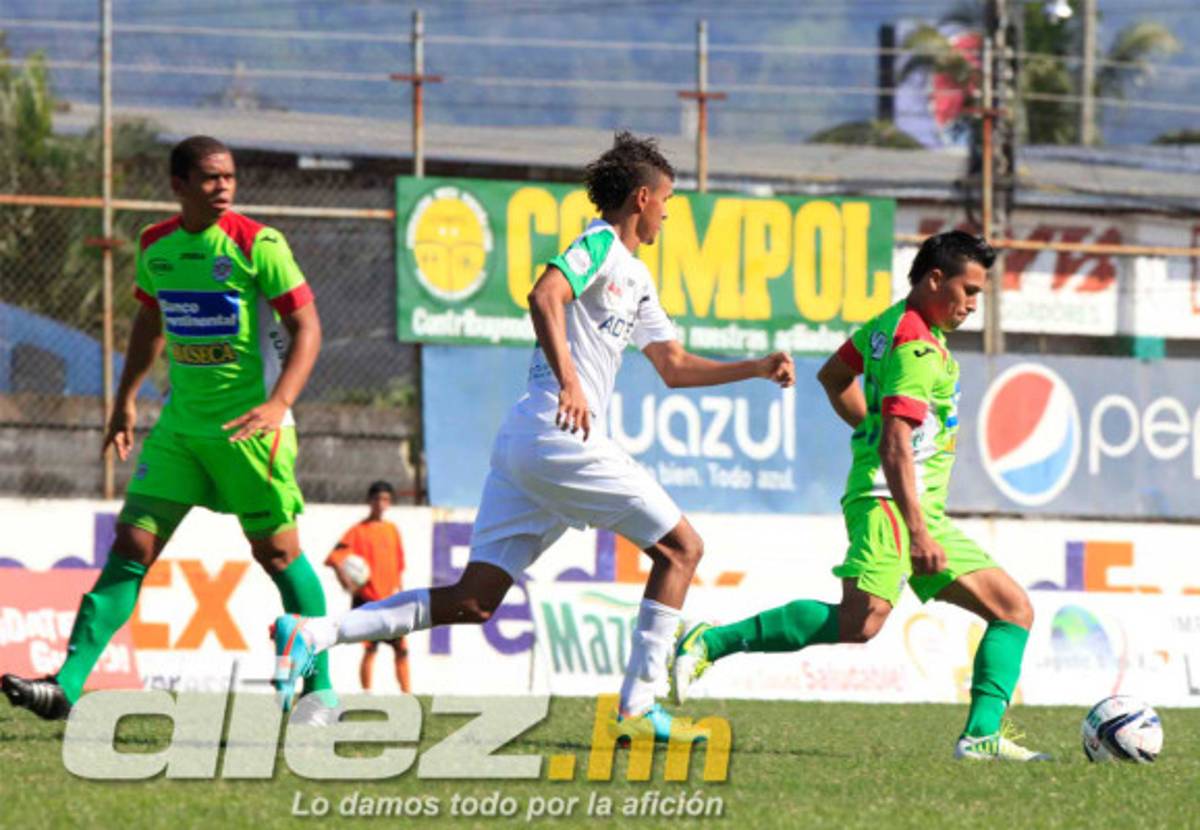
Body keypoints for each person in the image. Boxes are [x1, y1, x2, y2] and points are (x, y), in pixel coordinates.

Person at [270, 131, 795, 739]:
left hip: (531, 442)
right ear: (643, 198)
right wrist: (571, 382)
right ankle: (637, 707)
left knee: (474, 601)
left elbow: (673, 365)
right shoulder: (598, 242)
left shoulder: (637, 278)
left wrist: (754, 367)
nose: (669, 215)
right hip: (558, 430)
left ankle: (314, 632)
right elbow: (544, 294)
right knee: (682, 550)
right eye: (667, 202)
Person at [672, 230, 1050, 762]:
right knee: (862, 621)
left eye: (978, 294)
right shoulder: (916, 346)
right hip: (891, 504)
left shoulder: (889, 324)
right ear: (935, 279)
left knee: (1012, 609)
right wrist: (914, 524)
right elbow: (897, 441)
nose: (971, 304)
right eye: (968, 290)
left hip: (915, 507)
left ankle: (981, 736)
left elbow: (833, 374)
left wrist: (867, 424)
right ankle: (709, 642)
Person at [2, 135, 335, 720]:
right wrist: (125, 398)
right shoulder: (154, 246)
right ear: (178, 184)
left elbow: (306, 326)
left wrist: (280, 403)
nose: (224, 186)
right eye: (210, 177)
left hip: (249, 429)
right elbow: (150, 320)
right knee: (132, 544)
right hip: (180, 428)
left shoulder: (259, 244)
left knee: (279, 555)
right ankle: (67, 685)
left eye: (229, 176)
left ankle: (322, 692)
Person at [325, 481, 411, 693]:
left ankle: (408, 694)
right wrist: (345, 581)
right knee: (370, 649)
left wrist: (401, 591)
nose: (381, 504)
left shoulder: (393, 530)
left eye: (386, 500)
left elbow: (399, 566)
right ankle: (366, 693)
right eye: (377, 499)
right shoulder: (358, 531)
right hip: (368, 600)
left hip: (391, 601)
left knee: (402, 650)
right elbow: (335, 557)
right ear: (369, 501)